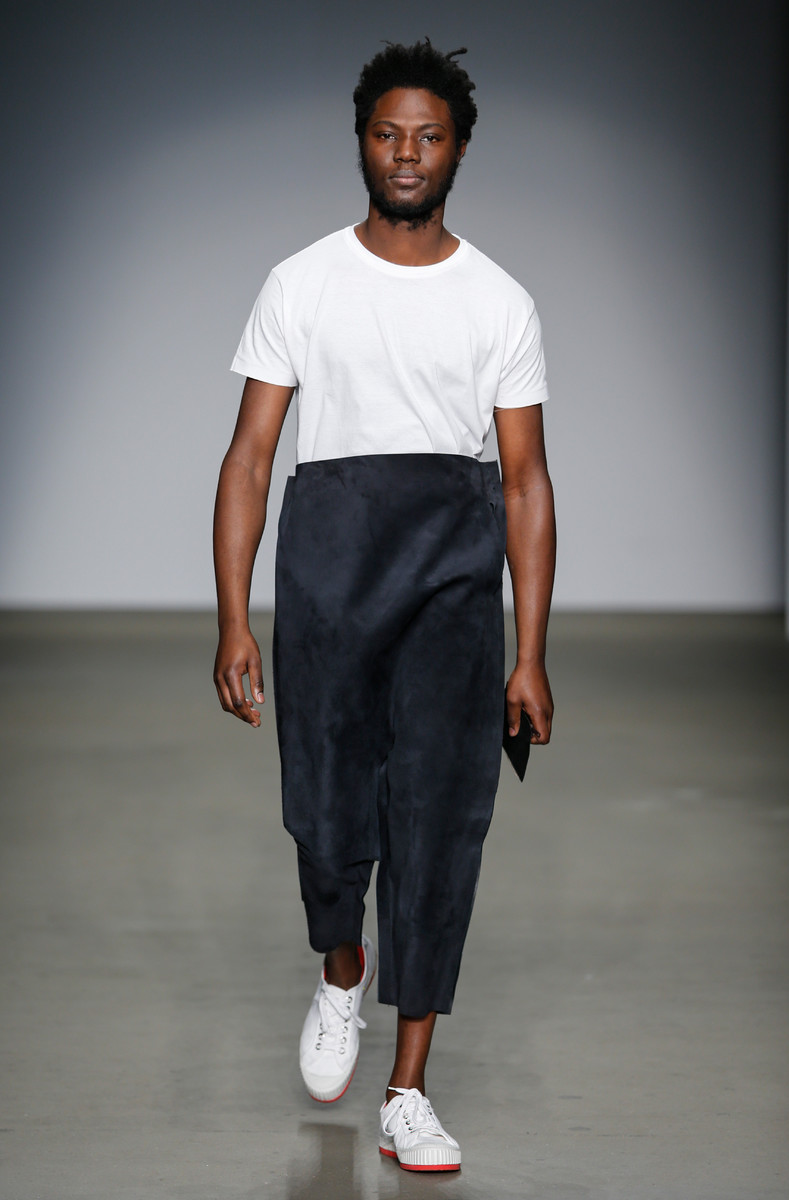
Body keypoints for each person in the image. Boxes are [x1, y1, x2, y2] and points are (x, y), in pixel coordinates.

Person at [213, 39, 555, 1173]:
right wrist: (232, 617)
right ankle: (340, 967)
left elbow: (524, 482)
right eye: (387, 133)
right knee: (322, 814)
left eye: (429, 136)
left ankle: (408, 1089)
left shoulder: (498, 300)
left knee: (441, 825)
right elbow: (251, 456)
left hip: (453, 585)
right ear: (361, 142)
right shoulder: (301, 283)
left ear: (457, 149)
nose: (407, 154)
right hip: (329, 574)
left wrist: (529, 651)